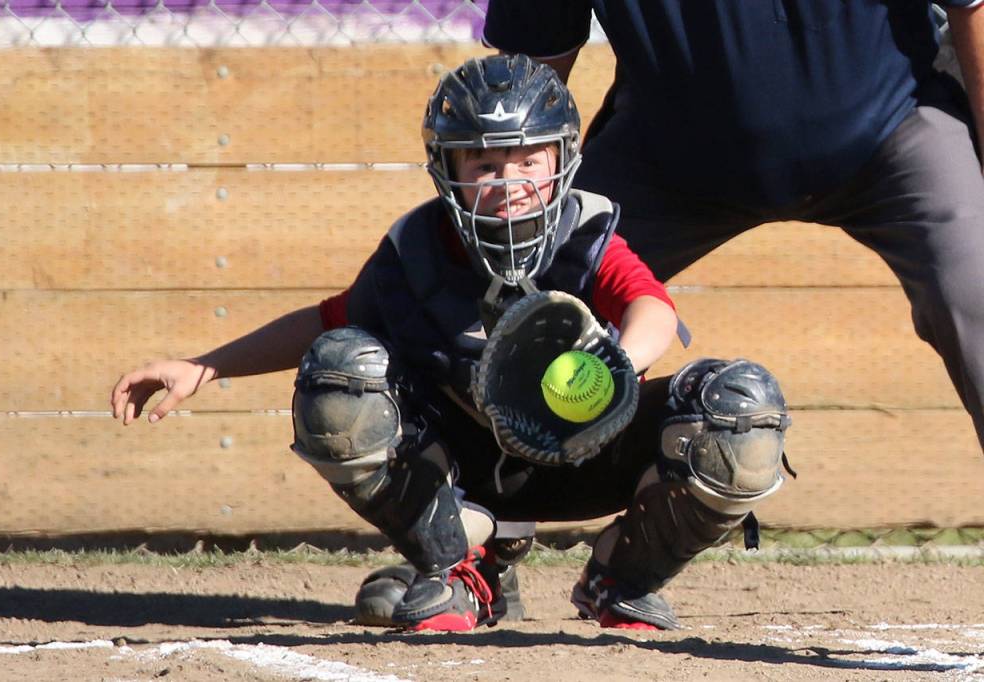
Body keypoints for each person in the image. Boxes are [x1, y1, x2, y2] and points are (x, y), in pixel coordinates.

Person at [111, 54, 790, 631]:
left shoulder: (585, 235)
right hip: (465, 471)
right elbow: (325, 322)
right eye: (484, 162)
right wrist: (206, 367)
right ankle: (460, 568)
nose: (510, 182)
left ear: (565, 159)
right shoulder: (416, 253)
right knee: (339, 373)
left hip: (588, 445)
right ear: (446, 167)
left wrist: (615, 363)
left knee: (743, 410)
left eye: (530, 159)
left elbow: (653, 308)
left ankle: (622, 577)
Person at [483, 1, 984, 451]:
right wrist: (522, 236)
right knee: (530, 309)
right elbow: (531, 69)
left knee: (975, 285)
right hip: (671, 152)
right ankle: (499, 514)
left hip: (892, 125)